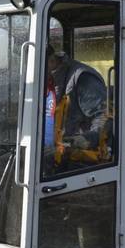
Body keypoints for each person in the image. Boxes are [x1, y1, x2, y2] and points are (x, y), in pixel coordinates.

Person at [42, 45, 109, 174]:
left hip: (78, 156)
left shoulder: (82, 78)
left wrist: (86, 139)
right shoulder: (45, 80)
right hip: (51, 149)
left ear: (51, 61)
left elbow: (103, 116)